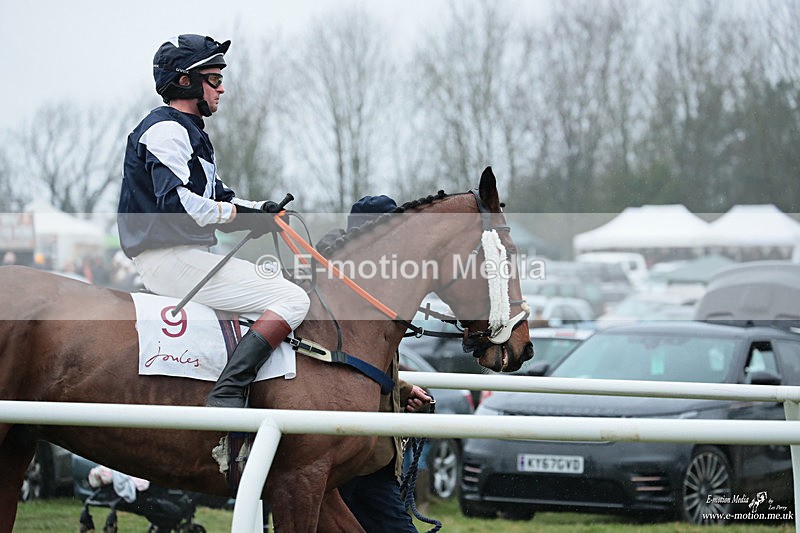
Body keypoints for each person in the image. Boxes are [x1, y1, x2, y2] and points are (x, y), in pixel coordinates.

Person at [117, 34, 310, 408]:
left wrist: (260, 211)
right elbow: (180, 205)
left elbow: (218, 199)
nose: (222, 89)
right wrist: (242, 214)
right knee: (292, 299)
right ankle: (227, 391)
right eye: (215, 79)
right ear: (186, 81)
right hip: (169, 258)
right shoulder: (166, 129)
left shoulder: (189, 132)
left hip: (184, 254)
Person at [326, 196, 433, 533]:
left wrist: (403, 391)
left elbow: (365, 372)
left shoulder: (381, 294)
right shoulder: (340, 293)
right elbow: (341, 372)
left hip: (370, 459)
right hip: (348, 458)